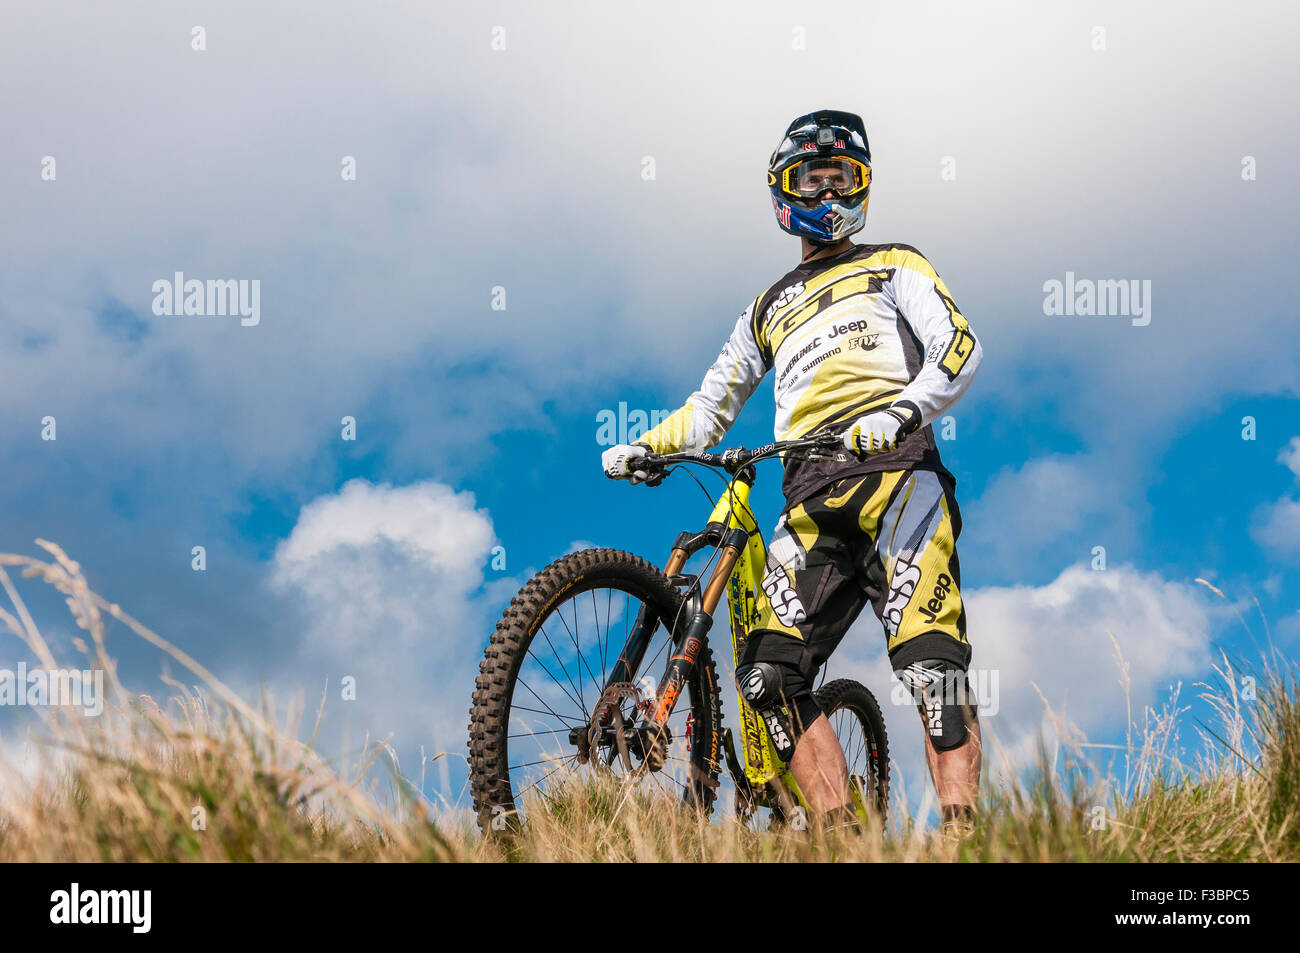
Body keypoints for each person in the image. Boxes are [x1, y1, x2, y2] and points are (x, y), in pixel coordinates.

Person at [601, 109, 983, 838]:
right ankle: (842, 840)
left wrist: (902, 410)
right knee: (767, 675)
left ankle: (969, 840)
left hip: (899, 477)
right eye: (815, 176)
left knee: (933, 670)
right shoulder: (766, 307)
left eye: (844, 176)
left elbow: (958, 348)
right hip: (808, 498)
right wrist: (644, 445)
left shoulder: (896, 263)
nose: (830, 190)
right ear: (786, 190)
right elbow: (707, 410)